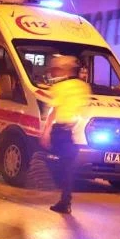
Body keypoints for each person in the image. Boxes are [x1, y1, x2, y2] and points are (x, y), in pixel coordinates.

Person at [40, 55, 92, 214]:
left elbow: (52, 112)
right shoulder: (83, 87)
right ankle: (65, 201)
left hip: (59, 132)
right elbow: (84, 110)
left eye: (55, 69)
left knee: (46, 159)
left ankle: (48, 190)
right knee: (68, 166)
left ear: (62, 70)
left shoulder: (59, 87)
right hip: (72, 131)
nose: (52, 72)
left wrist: (46, 133)